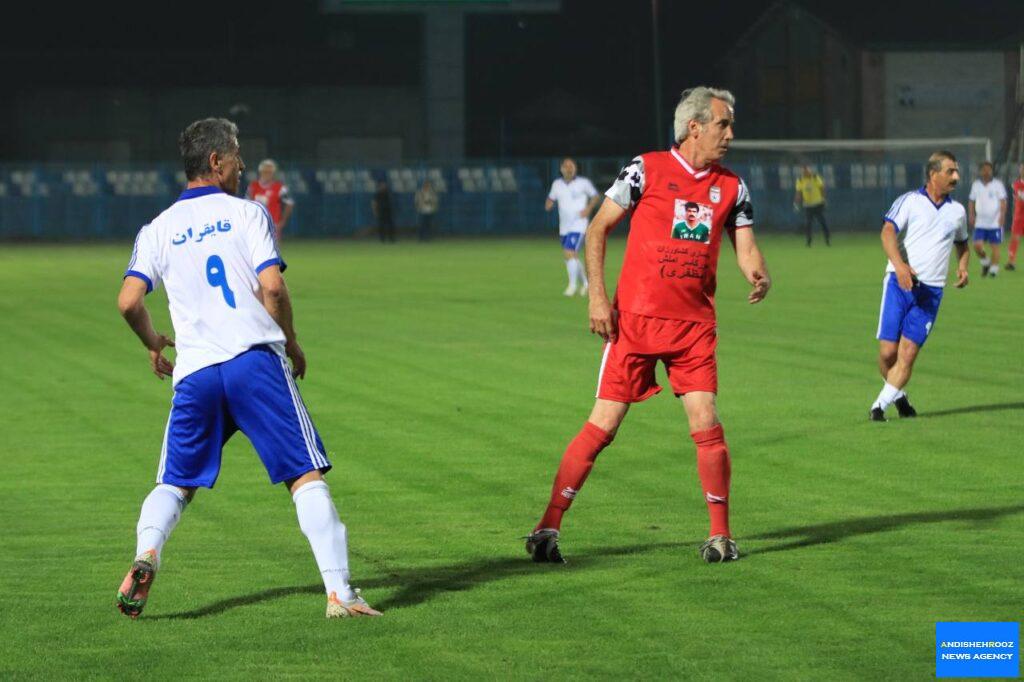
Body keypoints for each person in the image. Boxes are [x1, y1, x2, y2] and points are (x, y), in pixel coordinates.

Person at [115, 118, 381, 619]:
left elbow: (129, 301)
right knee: (304, 475)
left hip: (196, 373)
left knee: (175, 482)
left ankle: (148, 550)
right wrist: (292, 341)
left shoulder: (157, 228)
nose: (242, 166)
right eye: (236, 155)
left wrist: (153, 342)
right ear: (216, 161)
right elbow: (272, 287)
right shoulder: (247, 213)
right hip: (253, 363)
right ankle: (340, 594)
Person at [525, 87, 771, 565]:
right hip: (634, 322)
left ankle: (720, 536)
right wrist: (598, 296)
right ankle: (547, 526)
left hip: (693, 327)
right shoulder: (645, 169)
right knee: (603, 425)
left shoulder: (733, 187)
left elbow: (745, 246)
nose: (730, 134)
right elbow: (598, 228)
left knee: (706, 420)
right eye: (723, 124)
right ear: (695, 127)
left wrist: (757, 272)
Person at [869, 150, 970, 422]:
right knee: (887, 354)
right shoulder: (910, 201)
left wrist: (963, 266)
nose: (956, 177)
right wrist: (900, 266)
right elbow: (887, 232)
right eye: (950, 171)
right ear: (933, 174)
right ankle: (899, 397)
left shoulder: (957, 212)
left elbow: (963, 244)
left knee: (907, 354)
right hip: (898, 284)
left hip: (931, 293)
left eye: (957, 171)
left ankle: (878, 407)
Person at [545, 158, 600, 296]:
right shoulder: (557, 184)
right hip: (564, 227)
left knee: (569, 252)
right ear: (561, 169)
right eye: (566, 166)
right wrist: (549, 204)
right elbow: (551, 199)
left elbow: (595, 196)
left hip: (579, 224)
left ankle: (572, 286)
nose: (569, 168)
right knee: (571, 256)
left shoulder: (583, 183)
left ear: (575, 168)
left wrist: (588, 209)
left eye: (571, 166)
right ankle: (586, 284)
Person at [968, 161, 1007, 277]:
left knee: (995, 246)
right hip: (980, 222)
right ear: (981, 171)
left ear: (991, 171)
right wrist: (971, 214)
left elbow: (1003, 201)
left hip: (994, 222)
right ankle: (985, 261)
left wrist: (1002, 215)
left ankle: (993, 270)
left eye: (988, 170)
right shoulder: (976, 185)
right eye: (984, 170)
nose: (986, 172)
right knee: (977, 245)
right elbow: (971, 201)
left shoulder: (998, 184)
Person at [245, 159, 294, 243]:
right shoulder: (253, 186)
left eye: (270, 172)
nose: (267, 174)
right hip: (256, 224)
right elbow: (246, 204)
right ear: (260, 172)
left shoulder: (280, 188)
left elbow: (289, 204)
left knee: (273, 248)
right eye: (265, 171)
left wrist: (282, 221)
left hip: (273, 224)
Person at [794, 164, 830, 247]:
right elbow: (798, 192)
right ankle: (808, 241)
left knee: (822, 222)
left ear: (809, 170)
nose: (805, 172)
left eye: (806, 170)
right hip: (808, 205)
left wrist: (824, 200)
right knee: (808, 224)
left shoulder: (815, 177)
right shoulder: (800, 180)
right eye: (803, 171)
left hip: (818, 203)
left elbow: (822, 188)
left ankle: (827, 239)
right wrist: (796, 203)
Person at [1008, 163, 1024, 271]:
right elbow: (1019, 197)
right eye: (1022, 169)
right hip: (1019, 216)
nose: (1022, 170)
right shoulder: (1017, 184)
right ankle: (1011, 262)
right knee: (1015, 238)